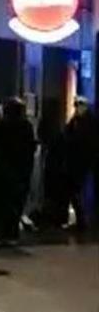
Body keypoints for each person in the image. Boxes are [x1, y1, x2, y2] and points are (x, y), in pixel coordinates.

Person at [0, 98, 36, 244]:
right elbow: (31, 148)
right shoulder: (26, 127)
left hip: (4, 170)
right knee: (17, 203)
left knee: (2, 203)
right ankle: (12, 232)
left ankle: (1, 232)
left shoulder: (1, 126)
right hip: (22, 170)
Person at [62, 97, 98, 233]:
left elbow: (83, 141)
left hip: (83, 162)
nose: (77, 109)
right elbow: (67, 133)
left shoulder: (89, 122)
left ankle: (82, 221)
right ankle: (80, 220)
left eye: (79, 106)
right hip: (75, 162)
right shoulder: (76, 120)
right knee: (73, 191)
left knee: (76, 191)